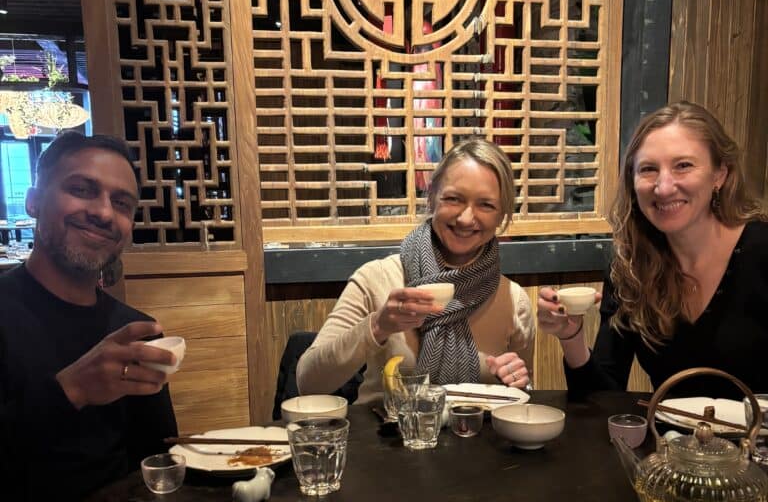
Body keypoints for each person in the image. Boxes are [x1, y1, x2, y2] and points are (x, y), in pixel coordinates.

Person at [0, 131, 178, 502]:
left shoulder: (136, 329)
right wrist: (72, 390)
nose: (102, 213)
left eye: (121, 204)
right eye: (81, 190)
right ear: (33, 201)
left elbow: (156, 459)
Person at [537, 102, 768, 398]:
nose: (663, 186)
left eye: (683, 165)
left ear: (719, 174)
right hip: (668, 442)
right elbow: (602, 401)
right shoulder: (631, 270)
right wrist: (571, 337)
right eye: (648, 169)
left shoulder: (761, 253)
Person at [297, 139, 535, 402]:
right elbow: (309, 382)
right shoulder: (377, 279)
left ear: (502, 214)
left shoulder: (513, 301)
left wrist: (517, 383)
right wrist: (378, 326)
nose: (467, 218)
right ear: (432, 196)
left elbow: (518, 401)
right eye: (454, 199)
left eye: (486, 205)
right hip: (384, 438)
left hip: (474, 439)